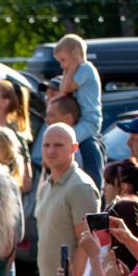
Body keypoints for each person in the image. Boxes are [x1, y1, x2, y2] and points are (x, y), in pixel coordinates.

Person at [34, 122, 100, 276]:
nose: (51, 150)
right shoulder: (47, 184)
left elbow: (86, 242)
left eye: (58, 145)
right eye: (46, 145)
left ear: (74, 148)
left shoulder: (80, 187)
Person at [53, 33, 104, 189]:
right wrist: (69, 67)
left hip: (89, 121)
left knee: (67, 140)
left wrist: (73, 64)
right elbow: (63, 88)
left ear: (75, 54)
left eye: (63, 60)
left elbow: (65, 89)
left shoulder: (85, 69)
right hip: (83, 120)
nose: (62, 66)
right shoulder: (77, 71)